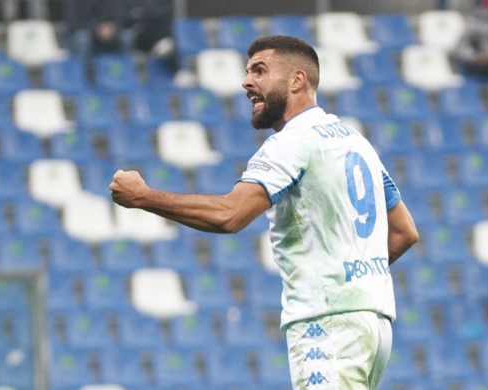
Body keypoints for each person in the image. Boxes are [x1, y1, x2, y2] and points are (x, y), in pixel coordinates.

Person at [110, 35, 419, 389]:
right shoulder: (355, 141)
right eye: (246, 72)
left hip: (326, 326)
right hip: (371, 325)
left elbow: (231, 214)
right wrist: (353, 285)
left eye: (260, 70)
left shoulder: (291, 142)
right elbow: (404, 232)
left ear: (296, 80)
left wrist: (144, 197)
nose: (246, 81)